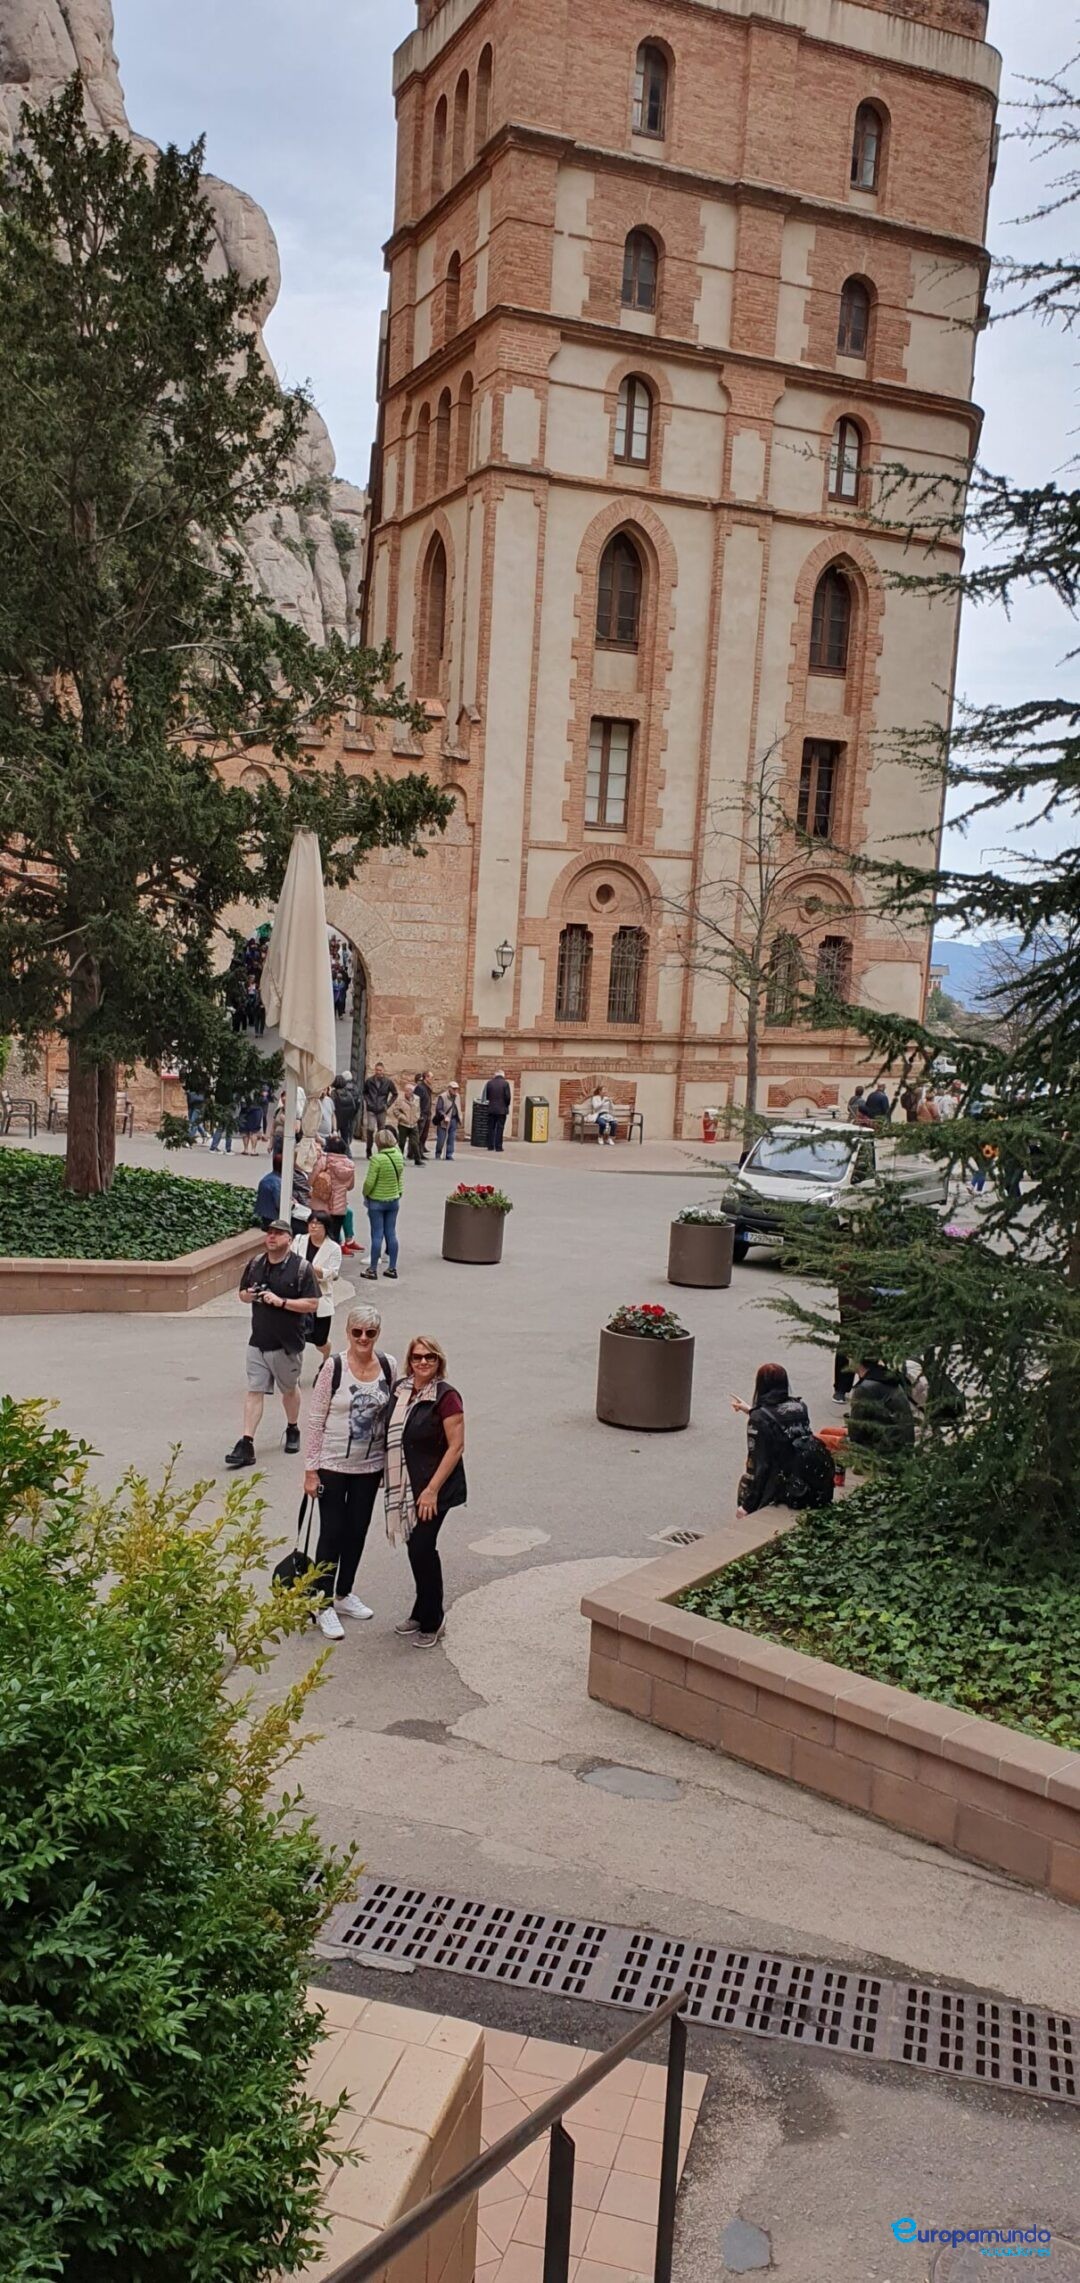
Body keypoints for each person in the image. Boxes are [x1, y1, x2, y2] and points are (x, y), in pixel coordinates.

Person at [303, 1304, 398, 1638]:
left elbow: (392, 1416)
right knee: (332, 1532)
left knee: (357, 1530)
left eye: (370, 1333)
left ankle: (344, 1593)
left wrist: (389, 1463)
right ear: (348, 1332)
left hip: (369, 1466)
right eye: (357, 1332)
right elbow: (316, 1419)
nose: (363, 1338)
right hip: (332, 1465)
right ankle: (322, 1602)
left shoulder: (388, 1365)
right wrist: (311, 1470)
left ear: (377, 1334)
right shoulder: (334, 1366)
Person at [386, 1334, 467, 1648]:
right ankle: (421, 1611)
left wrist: (432, 1490)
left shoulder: (447, 1397)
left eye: (429, 1357)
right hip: (407, 1486)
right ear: (410, 1361)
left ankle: (434, 1619)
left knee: (422, 1547)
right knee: (415, 1547)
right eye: (417, 1357)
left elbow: (456, 1446)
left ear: (438, 1361)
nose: (423, 1362)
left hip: (435, 1488)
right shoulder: (401, 1390)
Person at [225, 1220, 320, 1469]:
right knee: (254, 1390)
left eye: (278, 1234)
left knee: (289, 1390)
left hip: (286, 1343)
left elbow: (312, 1303)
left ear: (289, 1239)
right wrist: (250, 1295)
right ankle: (246, 1443)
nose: (272, 1237)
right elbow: (242, 1294)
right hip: (258, 1340)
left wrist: (282, 1302)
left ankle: (292, 1428)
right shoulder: (256, 1263)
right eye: (269, 1233)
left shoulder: (301, 1268)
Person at [732, 1363, 825, 1516]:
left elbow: (761, 1465)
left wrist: (747, 1506)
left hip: (778, 1486)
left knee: (746, 1484)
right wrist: (750, 1410)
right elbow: (781, 1421)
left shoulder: (759, 1418)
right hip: (802, 1477)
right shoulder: (800, 1406)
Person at [293, 1211, 342, 1371]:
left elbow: (333, 1274)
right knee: (296, 1337)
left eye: (318, 1224)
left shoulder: (334, 1248)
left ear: (325, 1227)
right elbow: (291, 1260)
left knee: (320, 1340)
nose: (313, 1226)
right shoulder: (299, 1240)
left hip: (321, 1296)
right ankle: (295, 1372)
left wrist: (311, 1269)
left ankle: (326, 1356)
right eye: (311, 1223)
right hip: (299, 1296)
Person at [847, 1361, 917, 1458]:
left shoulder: (865, 1388)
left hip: (884, 1448)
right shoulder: (885, 1378)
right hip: (899, 1441)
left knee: (827, 1440)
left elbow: (855, 1432)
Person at [362, 1128, 405, 1279]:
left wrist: (365, 1193)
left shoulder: (377, 1159)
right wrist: (398, 1193)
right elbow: (400, 1179)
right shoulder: (398, 1156)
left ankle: (372, 1269)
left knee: (377, 1235)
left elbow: (369, 1182)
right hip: (393, 1200)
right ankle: (392, 1268)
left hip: (377, 1201)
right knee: (391, 1233)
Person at [309, 1133, 356, 1243]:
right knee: (334, 1237)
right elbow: (350, 1186)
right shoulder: (350, 1165)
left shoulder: (323, 1161)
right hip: (339, 1209)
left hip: (320, 1206)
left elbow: (311, 1181)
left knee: (318, 1237)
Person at [363, 1063, 399, 1157]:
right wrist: (368, 1101)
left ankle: (381, 1150)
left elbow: (395, 1094)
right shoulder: (369, 1081)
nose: (378, 1072)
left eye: (380, 1070)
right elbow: (364, 1092)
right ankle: (368, 1149)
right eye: (377, 1070)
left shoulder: (388, 1082)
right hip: (371, 1108)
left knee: (381, 1130)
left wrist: (387, 1104)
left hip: (381, 1109)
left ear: (383, 1070)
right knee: (370, 1129)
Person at [331, 1072, 360, 1155]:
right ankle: (347, 1153)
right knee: (345, 1137)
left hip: (336, 1119)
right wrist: (350, 1117)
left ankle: (334, 1152)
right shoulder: (348, 1093)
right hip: (346, 1120)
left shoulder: (334, 1094)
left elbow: (331, 1107)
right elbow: (354, 1107)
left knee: (333, 1137)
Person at [483, 1068, 512, 1153]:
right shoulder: (505, 1083)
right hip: (502, 1110)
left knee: (491, 1127)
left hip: (491, 1109)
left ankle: (490, 1145)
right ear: (503, 1075)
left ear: (495, 1075)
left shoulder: (489, 1083)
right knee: (500, 1128)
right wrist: (506, 1105)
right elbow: (508, 1097)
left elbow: (487, 1096)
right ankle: (498, 1147)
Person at [396, 1082, 423, 1166]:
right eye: (406, 1090)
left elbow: (418, 1109)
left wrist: (417, 1117)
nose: (407, 1092)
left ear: (412, 1091)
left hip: (413, 1124)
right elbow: (396, 1110)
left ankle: (417, 1160)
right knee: (402, 1143)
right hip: (403, 1124)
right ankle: (399, 1160)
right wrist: (401, 1117)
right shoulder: (400, 1099)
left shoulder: (417, 1098)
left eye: (409, 1091)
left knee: (415, 1142)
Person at [255, 1153, 283, 1230]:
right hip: (274, 1217)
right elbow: (279, 1203)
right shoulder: (278, 1182)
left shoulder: (267, 1178)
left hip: (264, 1215)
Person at [434, 1081, 461, 1161]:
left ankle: (449, 1154)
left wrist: (459, 1117)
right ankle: (438, 1153)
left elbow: (458, 1107)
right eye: (453, 1089)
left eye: (456, 1089)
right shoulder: (442, 1096)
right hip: (444, 1120)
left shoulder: (457, 1096)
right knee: (441, 1139)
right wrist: (444, 1116)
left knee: (451, 1138)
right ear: (449, 1088)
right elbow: (439, 1109)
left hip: (454, 1119)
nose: (455, 1090)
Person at [415, 1072, 434, 1160]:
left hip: (427, 1113)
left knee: (424, 1135)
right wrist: (419, 1114)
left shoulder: (428, 1088)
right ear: (426, 1077)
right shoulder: (420, 1087)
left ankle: (420, 1151)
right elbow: (416, 1102)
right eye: (431, 1078)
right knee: (418, 1134)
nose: (432, 1080)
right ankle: (415, 1153)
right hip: (422, 1114)